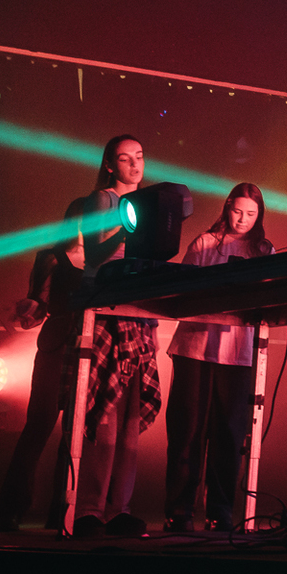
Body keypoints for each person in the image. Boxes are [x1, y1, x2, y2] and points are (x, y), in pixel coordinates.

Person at [163, 184, 274, 533]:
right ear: (227, 208)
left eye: (251, 214)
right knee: (187, 430)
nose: (243, 219)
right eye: (238, 211)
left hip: (238, 353)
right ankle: (179, 510)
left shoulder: (264, 250)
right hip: (194, 348)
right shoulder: (204, 243)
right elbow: (179, 292)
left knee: (229, 433)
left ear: (259, 216)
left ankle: (220, 511)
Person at [74, 134, 165, 538]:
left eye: (139, 156)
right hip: (107, 312)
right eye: (125, 158)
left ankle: (119, 509)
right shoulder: (103, 200)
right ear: (110, 164)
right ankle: (88, 510)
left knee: (129, 422)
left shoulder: (149, 203)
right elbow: (94, 255)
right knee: (105, 415)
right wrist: (127, 231)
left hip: (139, 313)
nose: (135, 164)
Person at [0, 198, 89, 532]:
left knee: (77, 432)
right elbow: (39, 304)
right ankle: (12, 508)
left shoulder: (106, 259)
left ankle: (62, 511)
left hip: (91, 346)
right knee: (38, 424)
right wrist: (28, 309)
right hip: (56, 343)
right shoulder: (52, 257)